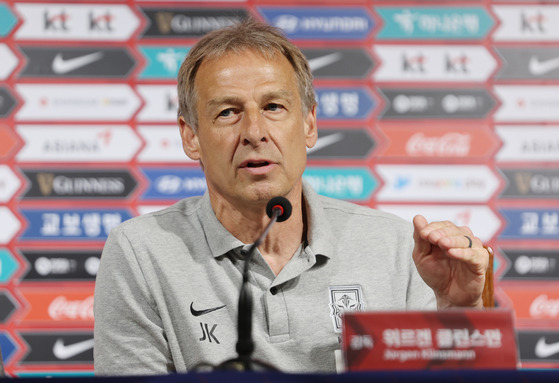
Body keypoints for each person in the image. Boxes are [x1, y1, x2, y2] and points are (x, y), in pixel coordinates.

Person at [93, 18, 489, 375]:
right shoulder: (140, 253)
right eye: (228, 112)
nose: (254, 131)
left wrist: (459, 314)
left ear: (309, 124)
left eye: (274, 106)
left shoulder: (395, 246)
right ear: (191, 136)